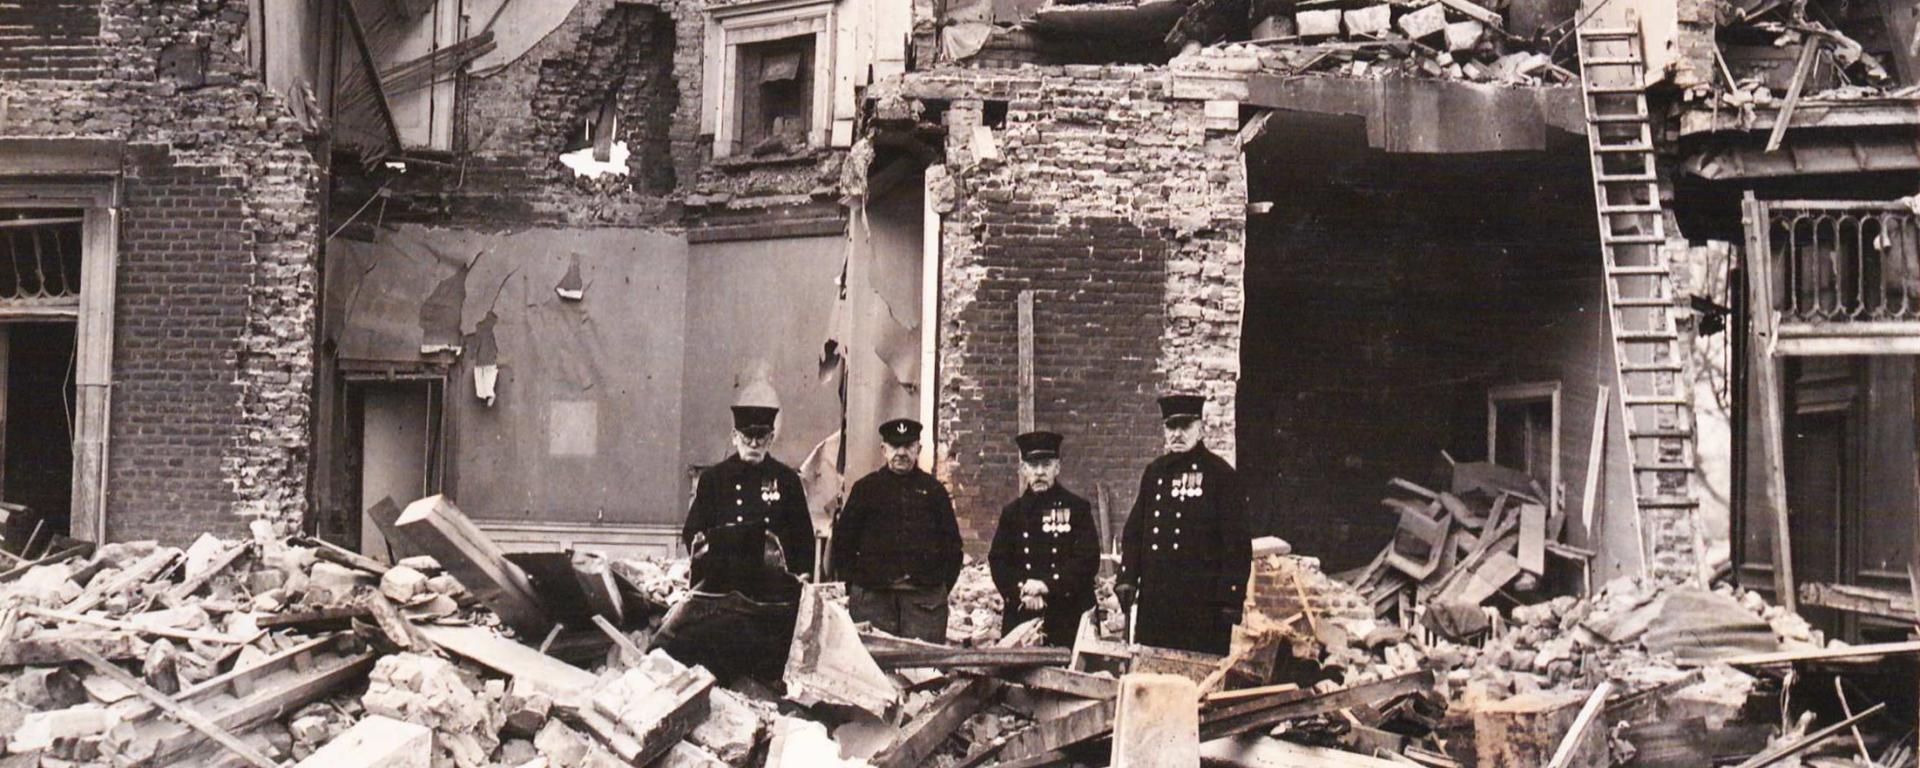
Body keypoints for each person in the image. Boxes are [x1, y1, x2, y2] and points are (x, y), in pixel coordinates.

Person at [1116, 393, 1252, 655]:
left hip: (1202, 604)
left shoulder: (1220, 474)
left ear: (1200, 429)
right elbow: (1134, 532)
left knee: (1195, 681)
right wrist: (1127, 577)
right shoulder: (1155, 473)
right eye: (1171, 426)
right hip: (1156, 601)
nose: (1177, 433)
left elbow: (1236, 542)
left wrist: (1231, 596)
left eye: (1185, 426)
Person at [830, 418, 963, 642]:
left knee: (923, 670)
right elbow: (843, 543)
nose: (901, 452)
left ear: (918, 449)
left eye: (908, 446)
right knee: (874, 668)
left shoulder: (933, 491)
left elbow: (952, 547)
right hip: (874, 599)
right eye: (894, 446)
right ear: (883, 449)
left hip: (923, 602)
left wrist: (936, 589)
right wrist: (858, 588)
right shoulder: (866, 489)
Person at [987, 431, 1101, 646]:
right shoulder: (1012, 513)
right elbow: (998, 561)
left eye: (1046, 465)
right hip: (1024, 614)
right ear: (1023, 470)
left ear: (1057, 468)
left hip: (1067, 614)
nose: (1039, 472)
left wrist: (1047, 585)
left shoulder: (1077, 508)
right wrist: (1022, 591)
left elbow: (1087, 560)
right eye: (1033, 465)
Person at [682, 404, 815, 588]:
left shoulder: (787, 480)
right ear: (735, 437)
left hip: (774, 585)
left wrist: (802, 577)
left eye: (760, 437)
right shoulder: (714, 479)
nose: (753, 444)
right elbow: (692, 531)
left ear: (771, 439)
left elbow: (804, 536)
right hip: (726, 582)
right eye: (747, 437)